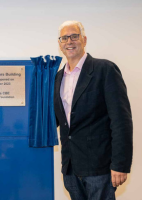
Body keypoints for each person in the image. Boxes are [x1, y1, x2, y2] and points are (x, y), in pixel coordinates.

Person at [54, 21, 133, 200]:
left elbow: (121, 121)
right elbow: (59, 120)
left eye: (74, 36)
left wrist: (120, 164)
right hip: (70, 167)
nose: (69, 41)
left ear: (84, 39)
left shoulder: (104, 70)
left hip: (100, 167)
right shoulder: (57, 78)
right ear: (59, 44)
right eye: (64, 38)